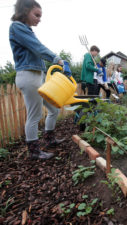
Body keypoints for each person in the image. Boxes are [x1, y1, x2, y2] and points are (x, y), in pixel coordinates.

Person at [9, 0, 66, 160]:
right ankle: (34, 151)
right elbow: (38, 48)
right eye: (37, 15)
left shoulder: (26, 30)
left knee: (53, 110)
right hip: (28, 75)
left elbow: (36, 48)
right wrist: (58, 59)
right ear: (24, 11)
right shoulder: (17, 27)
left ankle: (49, 139)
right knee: (34, 115)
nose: (39, 19)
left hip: (37, 76)